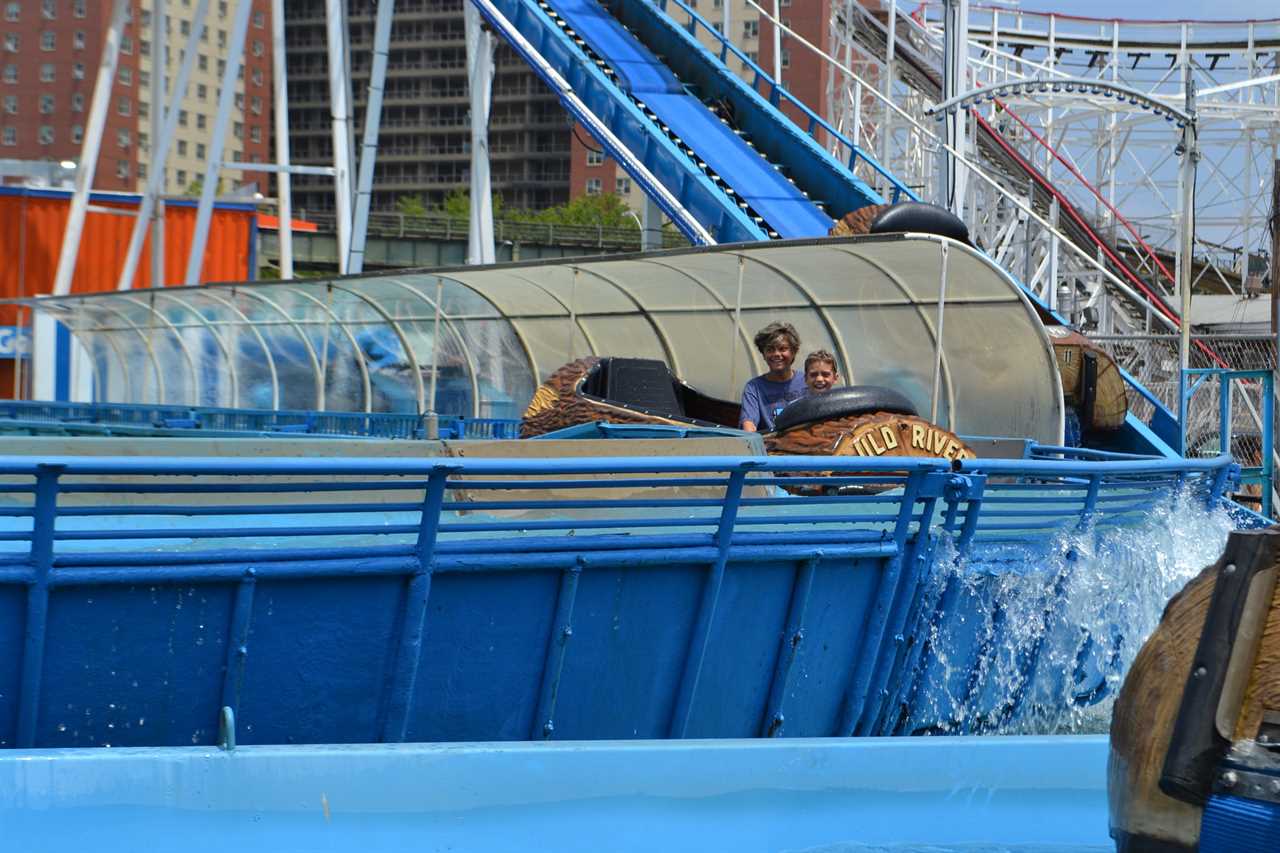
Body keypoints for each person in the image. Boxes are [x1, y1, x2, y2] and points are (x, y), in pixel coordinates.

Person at [739, 322, 806, 432]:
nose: (776, 354)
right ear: (763, 354)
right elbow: (748, 424)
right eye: (770, 349)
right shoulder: (754, 388)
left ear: (794, 351)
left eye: (783, 349)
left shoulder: (808, 381)